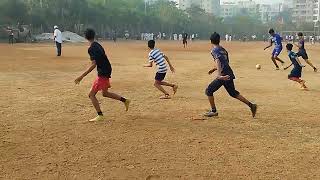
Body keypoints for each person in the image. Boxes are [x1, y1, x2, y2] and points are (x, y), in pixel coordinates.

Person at [75, 29, 131, 122]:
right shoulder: (97, 44)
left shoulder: (91, 48)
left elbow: (94, 64)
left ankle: (100, 115)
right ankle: (125, 101)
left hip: (103, 72)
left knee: (91, 95)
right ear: (94, 35)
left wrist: (81, 76)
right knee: (105, 93)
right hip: (106, 69)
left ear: (85, 37)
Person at [204, 32, 257, 118]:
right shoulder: (223, 50)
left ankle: (214, 111)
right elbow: (225, 62)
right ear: (219, 40)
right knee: (233, 93)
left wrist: (219, 75)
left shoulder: (214, 50)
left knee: (209, 91)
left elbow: (218, 61)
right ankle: (251, 105)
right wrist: (214, 69)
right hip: (228, 73)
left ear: (211, 41)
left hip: (223, 75)